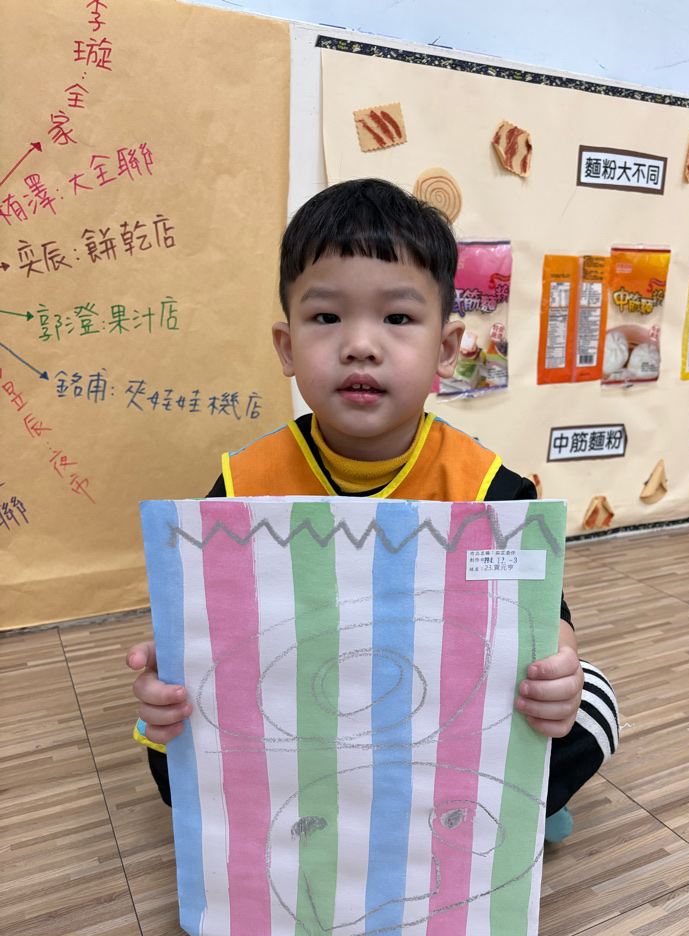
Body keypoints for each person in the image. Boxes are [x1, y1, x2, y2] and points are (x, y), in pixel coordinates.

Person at [127, 177, 619, 843]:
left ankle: (470, 813)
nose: (360, 344)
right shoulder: (241, 486)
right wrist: (170, 677)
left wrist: (558, 670)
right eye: (327, 318)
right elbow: (202, 631)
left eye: (398, 318)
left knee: (592, 703)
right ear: (286, 347)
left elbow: (541, 619)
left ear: (446, 350)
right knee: (166, 741)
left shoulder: (489, 490)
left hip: (433, 728)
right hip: (304, 724)